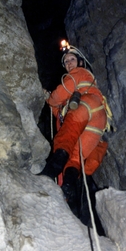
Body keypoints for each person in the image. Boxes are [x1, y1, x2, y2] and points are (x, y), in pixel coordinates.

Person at [38, 44, 108, 220]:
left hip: (86, 105)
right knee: (75, 158)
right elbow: (61, 115)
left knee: (65, 138)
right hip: (98, 121)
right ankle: (68, 187)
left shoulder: (79, 73)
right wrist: (54, 105)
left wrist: (50, 98)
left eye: (72, 59)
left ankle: (49, 173)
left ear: (80, 62)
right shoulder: (90, 82)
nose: (69, 63)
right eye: (66, 62)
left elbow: (61, 92)